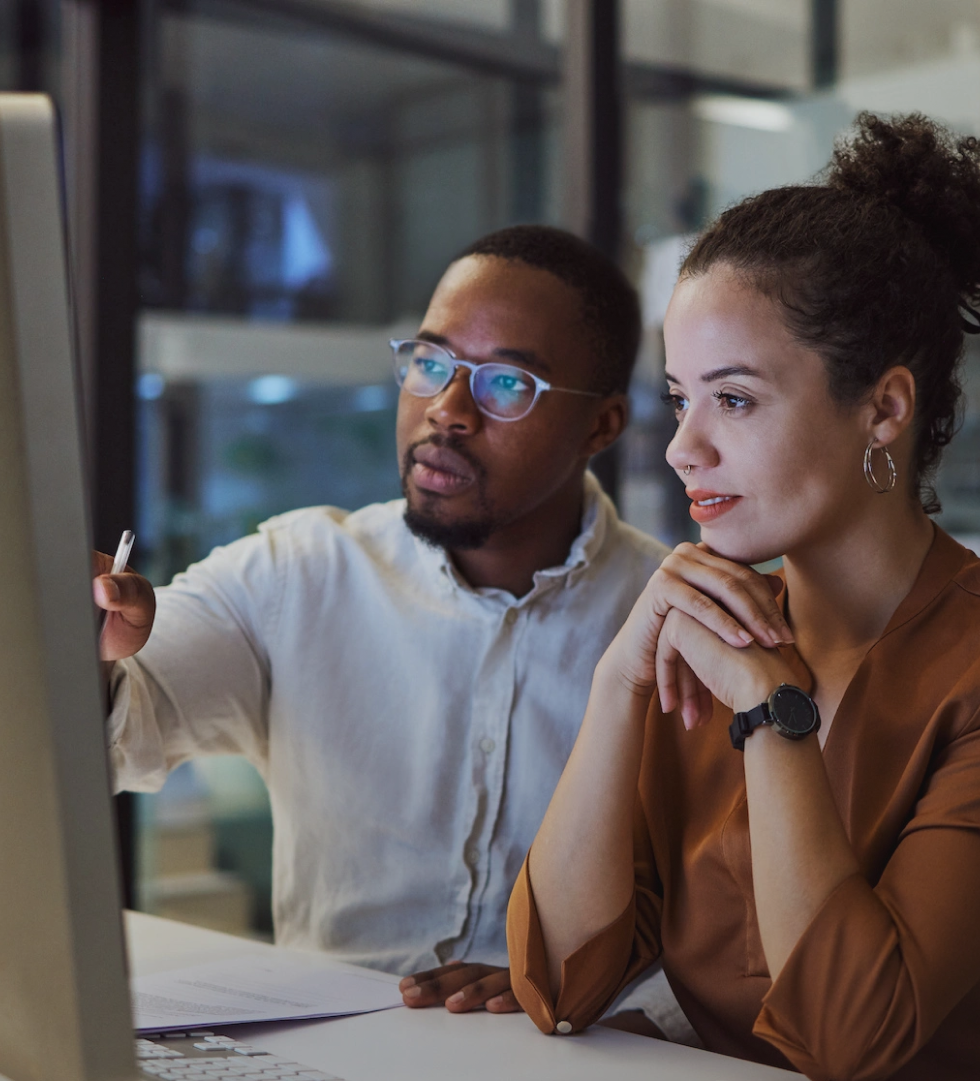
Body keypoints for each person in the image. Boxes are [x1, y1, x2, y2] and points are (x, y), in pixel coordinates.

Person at [508, 114, 980, 1081]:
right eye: (680, 401)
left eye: (733, 402)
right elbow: (559, 985)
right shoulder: (701, 633)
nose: (682, 450)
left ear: (883, 410)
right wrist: (618, 685)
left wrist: (776, 715)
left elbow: (849, 1034)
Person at [96, 224, 687, 1037]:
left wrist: (594, 993)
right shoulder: (300, 571)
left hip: (574, 1061)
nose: (445, 410)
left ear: (602, 426)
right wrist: (88, 653)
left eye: (507, 384)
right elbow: (118, 735)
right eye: (432, 362)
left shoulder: (674, 624)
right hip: (324, 1056)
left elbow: (727, 933)